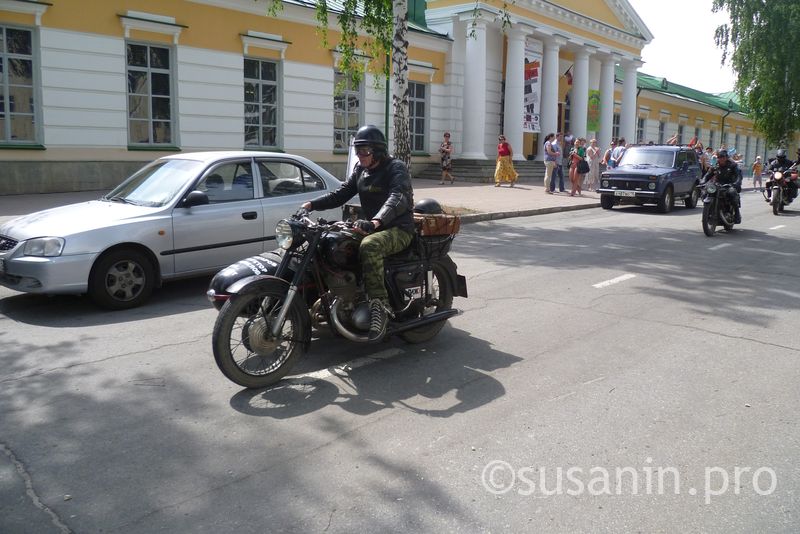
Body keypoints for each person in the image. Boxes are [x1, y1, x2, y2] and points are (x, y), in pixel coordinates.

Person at [301, 125, 414, 342]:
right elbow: (341, 193)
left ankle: (380, 307)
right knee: (331, 243)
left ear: (378, 151)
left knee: (369, 246)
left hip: (398, 229)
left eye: (365, 152)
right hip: (371, 227)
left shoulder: (395, 168)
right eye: (358, 151)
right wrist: (311, 204)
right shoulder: (361, 170)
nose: (360, 156)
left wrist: (376, 221)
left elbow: (398, 197)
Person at [703, 149, 742, 224]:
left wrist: (736, 183)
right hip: (718, 185)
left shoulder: (733, 165)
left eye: (722, 157)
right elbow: (707, 175)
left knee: (732, 193)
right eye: (719, 157)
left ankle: (737, 214)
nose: (721, 159)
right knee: (706, 192)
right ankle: (709, 211)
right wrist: (703, 181)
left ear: (726, 157)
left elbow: (738, 176)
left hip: (729, 184)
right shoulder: (716, 165)